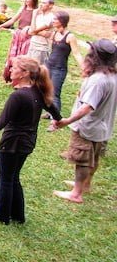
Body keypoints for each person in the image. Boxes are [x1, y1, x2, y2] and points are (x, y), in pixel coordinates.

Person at [0, 56, 60, 224]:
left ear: (25, 73)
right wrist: (58, 119)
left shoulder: (18, 96)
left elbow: (1, 123)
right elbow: (52, 107)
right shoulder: (37, 90)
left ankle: (0, 215)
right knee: (14, 177)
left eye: (14, 68)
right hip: (27, 143)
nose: (10, 70)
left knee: (6, 179)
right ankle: (18, 215)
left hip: (12, 144)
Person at [52, 39, 117, 204]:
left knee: (82, 161)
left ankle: (76, 193)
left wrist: (66, 121)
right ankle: (85, 185)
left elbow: (87, 108)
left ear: (94, 56)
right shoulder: (112, 75)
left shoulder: (98, 80)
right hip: (103, 127)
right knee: (94, 158)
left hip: (88, 127)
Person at [45, 11, 84, 118]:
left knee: (55, 93)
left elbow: (76, 53)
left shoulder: (70, 36)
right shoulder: (54, 33)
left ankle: (56, 118)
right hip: (49, 65)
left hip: (59, 68)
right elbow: (35, 32)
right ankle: (49, 112)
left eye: (55, 19)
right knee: (47, 90)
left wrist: (84, 68)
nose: (53, 21)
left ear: (62, 21)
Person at [0, 0, 38, 82]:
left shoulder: (36, 11)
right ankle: (12, 78)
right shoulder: (22, 8)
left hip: (28, 37)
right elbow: (13, 20)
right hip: (18, 35)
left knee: (24, 59)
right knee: (13, 56)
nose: (26, 0)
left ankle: (23, 80)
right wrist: (0, 26)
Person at [26, 0, 55, 64]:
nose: (41, 5)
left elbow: (33, 31)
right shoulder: (39, 16)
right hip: (32, 45)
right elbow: (30, 32)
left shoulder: (51, 17)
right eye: (40, 2)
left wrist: (34, 15)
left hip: (42, 48)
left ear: (51, 5)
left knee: (37, 70)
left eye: (44, 3)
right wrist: (41, 33)